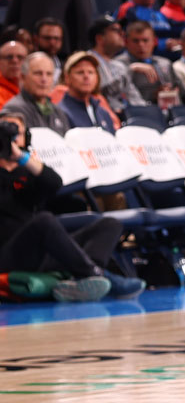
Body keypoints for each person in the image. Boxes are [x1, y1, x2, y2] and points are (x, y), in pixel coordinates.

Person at [0, 114, 138, 298]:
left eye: (17, 133)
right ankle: (96, 275)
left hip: (43, 251)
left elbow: (54, 183)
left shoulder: (28, 168)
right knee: (44, 221)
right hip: (9, 254)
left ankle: (86, 277)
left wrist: (22, 158)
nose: (12, 139)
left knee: (110, 223)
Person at [2, 52, 71, 134]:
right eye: (38, 73)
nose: (44, 79)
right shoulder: (13, 110)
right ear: (23, 77)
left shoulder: (59, 112)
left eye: (49, 74)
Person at [57, 53, 119, 130]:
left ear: (97, 77)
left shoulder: (103, 113)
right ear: (67, 78)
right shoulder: (60, 113)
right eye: (80, 72)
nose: (86, 76)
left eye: (90, 72)